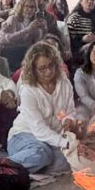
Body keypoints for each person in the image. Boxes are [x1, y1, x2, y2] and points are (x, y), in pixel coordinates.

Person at [7, 42, 81, 174]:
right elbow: (39, 130)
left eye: (51, 66)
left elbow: (68, 112)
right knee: (41, 154)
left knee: (70, 160)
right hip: (24, 135)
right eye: (42, 68)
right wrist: (66, 143)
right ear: (33, 70)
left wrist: (67, 120)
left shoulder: (64, 83)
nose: (48, 72)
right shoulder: (28, 90)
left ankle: (28, 168)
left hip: (50, 138)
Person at [0, 0, 49, 71]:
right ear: (21, 8)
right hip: (10, 52)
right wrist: (27, 30)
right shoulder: (13, 19)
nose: (30, 9)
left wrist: (44, 30)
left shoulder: (34, 21)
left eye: (32, 7)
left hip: (26, 53)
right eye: (26, 6)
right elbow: (2, 39)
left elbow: (37, 42)